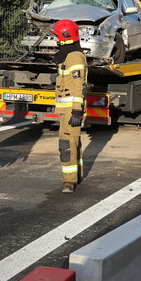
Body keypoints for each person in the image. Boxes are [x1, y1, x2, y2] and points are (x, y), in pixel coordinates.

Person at [51, 19, 87, 193]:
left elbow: (78, 84)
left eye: (57, 36)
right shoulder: (68, 55)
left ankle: (69, 181)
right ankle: (76, 176)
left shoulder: (74, 57)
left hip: (71, 109)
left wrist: (76, 110)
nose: (56, 40)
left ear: (65, 37)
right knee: (73, 142)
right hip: (65, 108)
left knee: (66, 143)